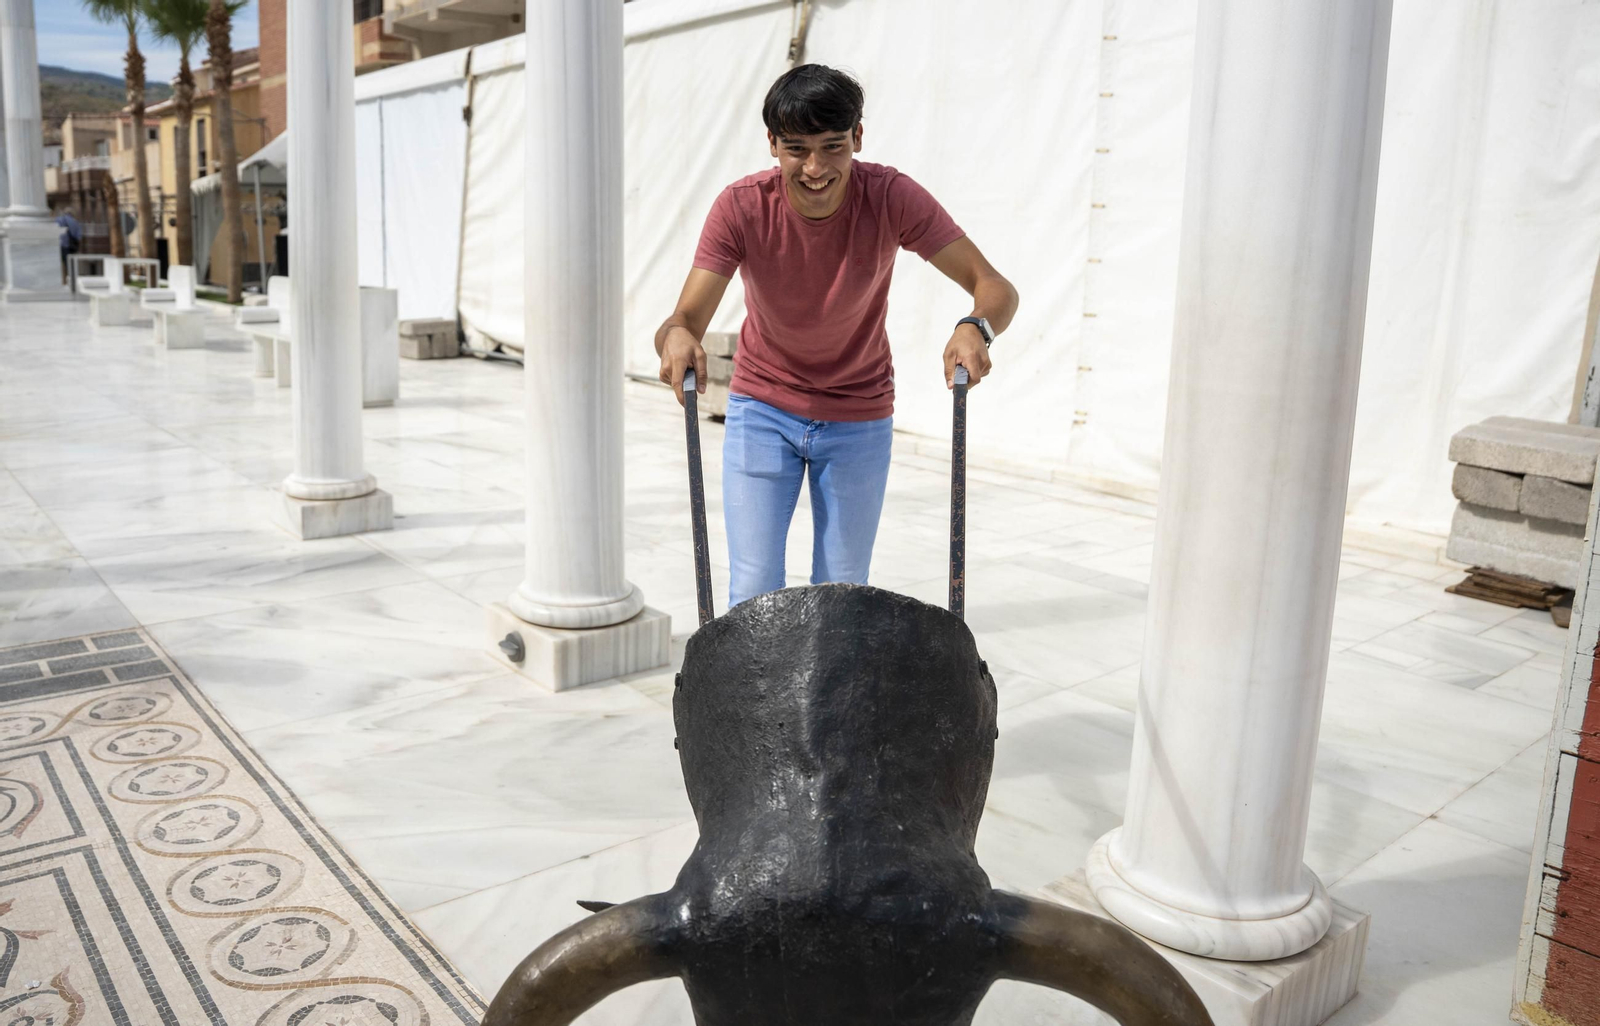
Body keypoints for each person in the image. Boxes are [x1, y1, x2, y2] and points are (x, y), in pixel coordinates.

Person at [655, 64, 1019, 609]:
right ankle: (759, 698)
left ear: (859, 137)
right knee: (753, 588)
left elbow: (994, 286)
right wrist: (677, 338)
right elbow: (684, 319)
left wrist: (977, 325)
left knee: (841, 591)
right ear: (772, 144)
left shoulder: (891, 196)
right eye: (797, 148)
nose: (816, 168)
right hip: (763, 407)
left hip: (859, 413)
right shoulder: (742, 206)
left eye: (833, 146)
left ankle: (825, 699)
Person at [56, 208, 82, 284]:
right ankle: (71, 282)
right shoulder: (75, 222)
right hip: (71, 247)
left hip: (60, 245)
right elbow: (79, 237)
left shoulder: (58, 219)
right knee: (71, 266)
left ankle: (63, 282)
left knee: (61, 266)